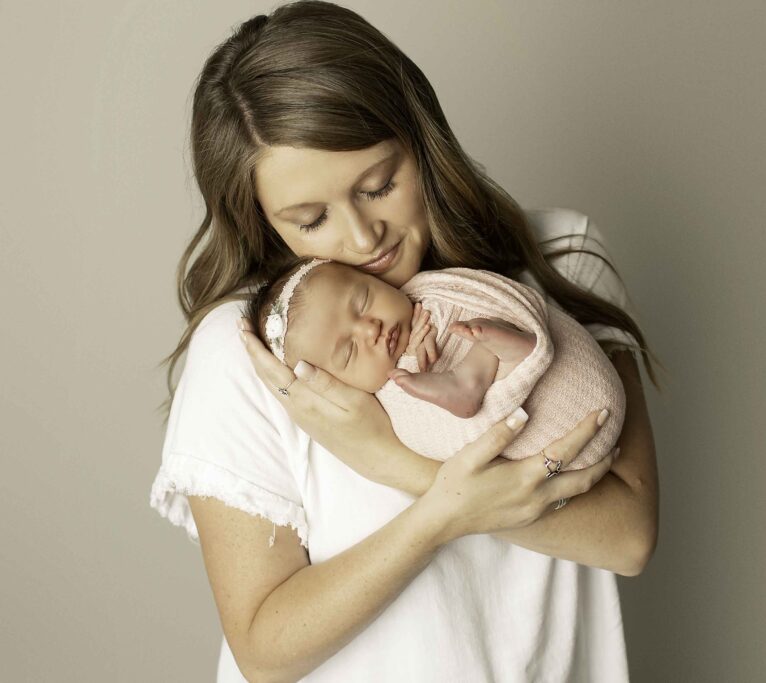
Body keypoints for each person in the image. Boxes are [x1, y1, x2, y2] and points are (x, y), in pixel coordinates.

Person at [149, 2, 661, 681]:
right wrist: (436, 518)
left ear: (421, 140)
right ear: (265, 224)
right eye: (311, 220)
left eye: (380, 185)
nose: (363, 239)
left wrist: (397, 465)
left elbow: (627, 536)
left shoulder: (559, 259)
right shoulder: (254, 354)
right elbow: (265, 648)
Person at [245, 256, 627, 472]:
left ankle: (495, 355)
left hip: (587, 377)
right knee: (416, 417)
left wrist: (444, 322)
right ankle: (489, 365)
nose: (371, 329)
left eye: (362, 302)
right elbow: (434, 444)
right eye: (349, 352)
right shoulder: (391, 395)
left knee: (487, 321)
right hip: (553, 441)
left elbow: (483, 290)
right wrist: (412, 358)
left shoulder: (427, 290)